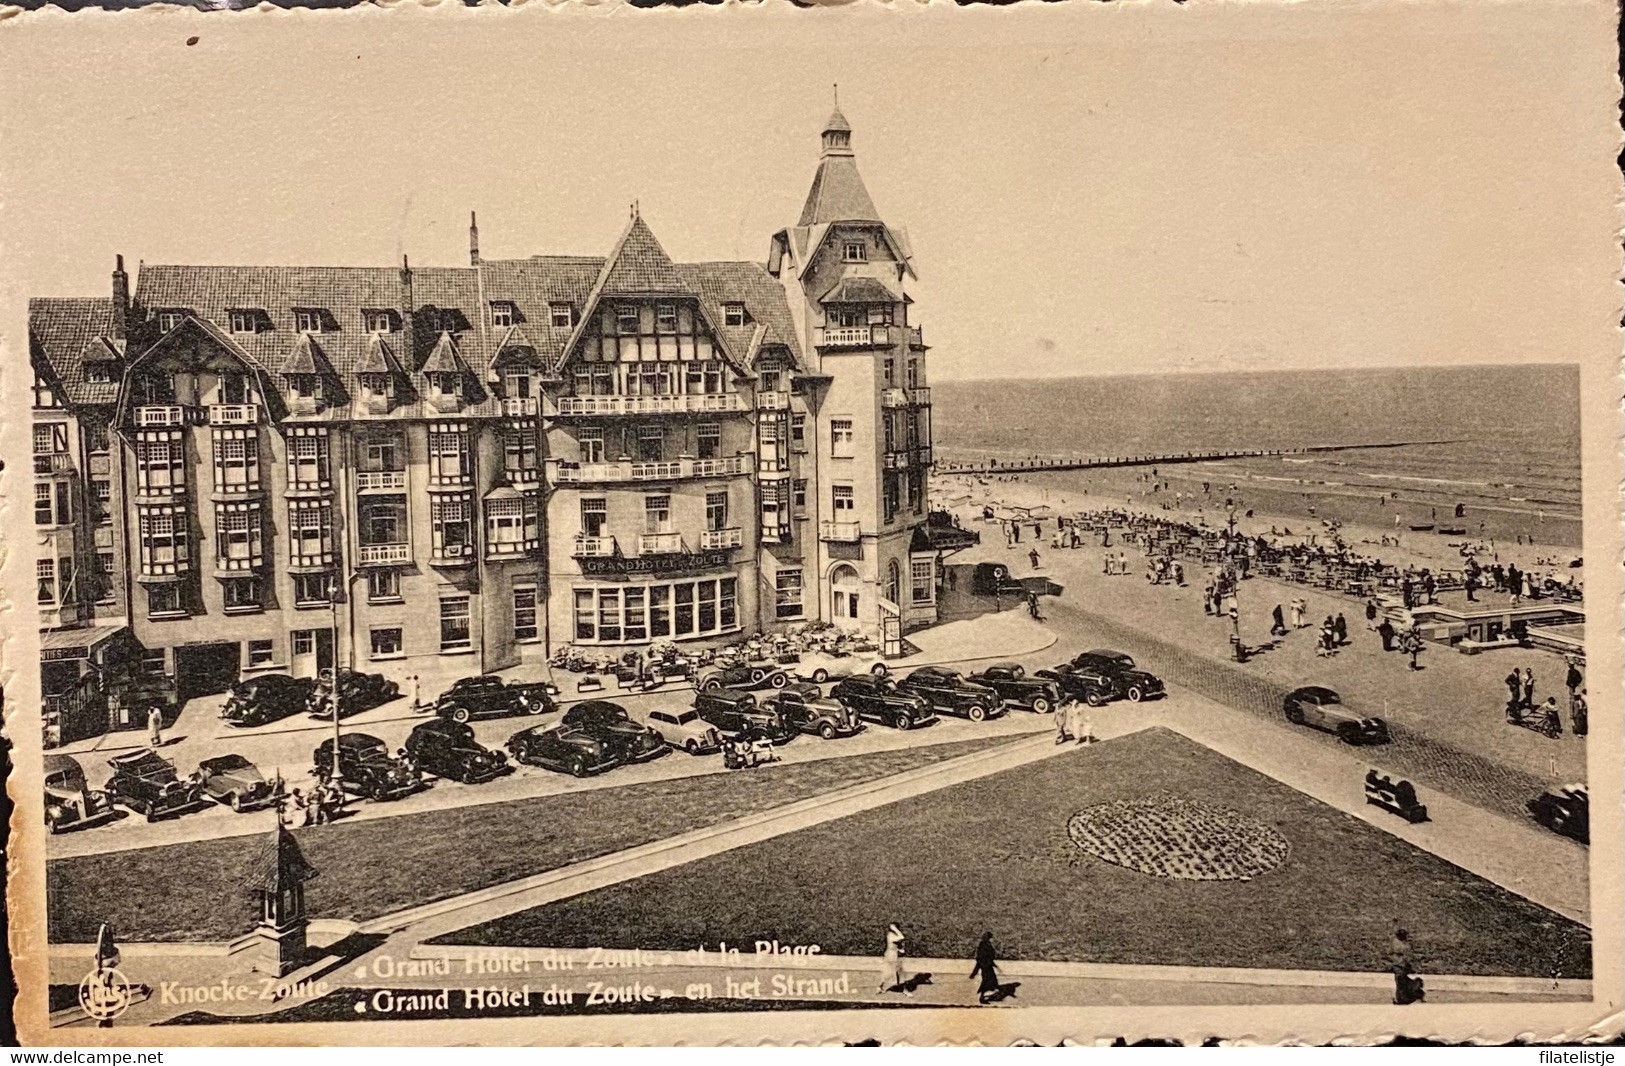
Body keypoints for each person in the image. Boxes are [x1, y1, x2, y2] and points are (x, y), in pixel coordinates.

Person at [1390, 927, 1424, 1005]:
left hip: (1401, 965)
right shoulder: (1401, 943)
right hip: (1399, 965)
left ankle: (1402, 998)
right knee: (1401, 982)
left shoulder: (1402, 944)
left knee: (1401, 982)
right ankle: (1402, 998)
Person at [878, 923, 909, 996]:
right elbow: (901, 937)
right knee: (889, 973)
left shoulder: (894, 935)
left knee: (899, 973)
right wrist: (896, 929)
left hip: (895, 956)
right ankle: (881, 987)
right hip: (890, 956)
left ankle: (904, 990)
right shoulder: (890, 935)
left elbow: (898, 944)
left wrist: (900, 949)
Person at [970, 932, 1001, 1004]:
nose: (992, 939)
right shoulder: (984, 946)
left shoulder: (986, 945)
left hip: (988, 966)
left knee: (990, 981)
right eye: (991, 938)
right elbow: (983, 959)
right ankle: (983, 997)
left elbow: (988, 958)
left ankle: (985, 996)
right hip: (986, 967)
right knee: (986, 981)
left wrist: (995, 966)